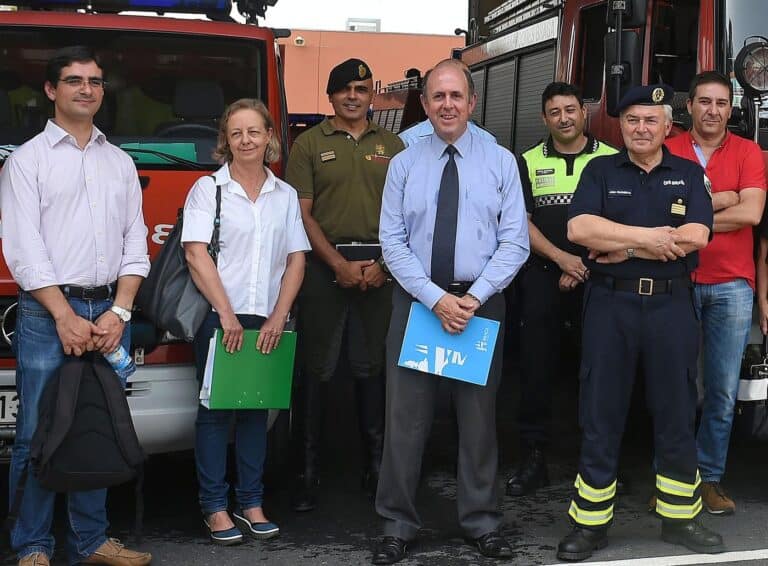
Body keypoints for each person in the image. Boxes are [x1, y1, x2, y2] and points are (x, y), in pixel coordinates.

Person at [556, 84, 724, 562]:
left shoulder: (689, 175)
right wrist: (647, 239)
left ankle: (680, 518)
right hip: (611, 307)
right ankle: (590, 524)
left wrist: (622, 245)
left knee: (675, 411)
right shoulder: (599, 170)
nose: (641, 128)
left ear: (668, 126)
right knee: (601, 411)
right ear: (621, 127)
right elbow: (578, 230)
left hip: (671, 308)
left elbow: (698, 233)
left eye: (651, 120)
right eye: (632, 120)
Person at [372, 58, 529, 564]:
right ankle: (396, 524)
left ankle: (481, 522)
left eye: (456, 96)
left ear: (472, 102)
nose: (447, 105)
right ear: (424, 102)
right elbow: (391, 243)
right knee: (405, 420)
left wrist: (472, 298)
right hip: (419, 303)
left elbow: (515, 243)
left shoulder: (500, 161)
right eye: (437, 96)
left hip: (478, 306)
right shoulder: (404, 163)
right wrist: (435, 298)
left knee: (479, 421)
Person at [1, 46, 152, 566]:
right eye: (73, 80)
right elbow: (23, 250)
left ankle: (92, 542)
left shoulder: (121, 163)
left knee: (98, 425)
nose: (86, 89)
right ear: (51, 90)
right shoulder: (27, 162)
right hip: (48, 316)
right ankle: (33, 546)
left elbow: (136, 243)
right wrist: (65, 316)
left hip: (111, 311)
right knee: (37, 432)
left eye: (94, 80)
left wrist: (122, 312)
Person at [182, 98, 310, 544]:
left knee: (257, 411)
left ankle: (251, 503)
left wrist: (279, 316)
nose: (246, 140)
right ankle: (215, 507)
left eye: (254, 131)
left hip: (268, 317)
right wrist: (227, 314)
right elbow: (195, 253)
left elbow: (296, 259)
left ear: (270, 137)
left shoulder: (286, 195)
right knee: (215, 413)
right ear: (225, 141)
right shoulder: (208, 190)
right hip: (219, 317)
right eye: (236, 133)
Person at [285, 58, 404, 512]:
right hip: (324, 265)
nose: (354, 96)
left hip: (381, 265)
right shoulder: (309, 144)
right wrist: (335, 261)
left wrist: (384, 265)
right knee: (317, 368)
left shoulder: (393, 145)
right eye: (345, 89)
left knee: (372, 368)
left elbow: (408, 216)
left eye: (362, 88)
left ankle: (375, 469)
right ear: (330, 97)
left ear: (371, 95)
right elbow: (302, 212)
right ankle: (307, 474)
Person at [506, 82, 617, 497]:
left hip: (600, 278)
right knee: (536, 369)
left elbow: (618, 220)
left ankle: (598, 462)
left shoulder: (610, 158)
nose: (564, 118)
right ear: (545, 118)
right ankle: (534, 457)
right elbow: (520, 222)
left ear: (584, 112)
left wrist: (583, 264)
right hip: (543, 277)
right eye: (555, 112)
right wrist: (562, 259)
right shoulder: (528, 160)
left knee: (600, 371)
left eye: (570, 109)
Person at [665, 71, 766, 515]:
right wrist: (724, 200)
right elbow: (654, 214)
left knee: (723, 393)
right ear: (689, 106)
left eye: (721, 103)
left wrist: (692, 218)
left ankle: (709, 480)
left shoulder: (749, 151)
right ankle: (670, 480)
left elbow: (752, 211)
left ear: (732, 108)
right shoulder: (667, 149)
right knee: (675, 390)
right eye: (704, 101)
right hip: (676, 282)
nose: (712, 110)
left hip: (732, 285)